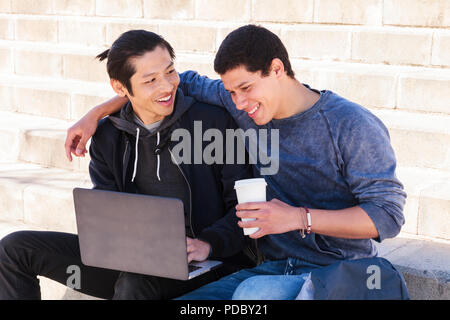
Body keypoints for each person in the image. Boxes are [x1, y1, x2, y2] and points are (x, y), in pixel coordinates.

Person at [64, 25, 408, 300]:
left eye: (245, 88)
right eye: (231, 92)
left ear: (276, 69)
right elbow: (160, 85)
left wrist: (296, 217)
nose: (240, 103)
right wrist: (95, 115)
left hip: (335, 269)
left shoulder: (351, 125)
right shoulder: (239, 103)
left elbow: (387, 216)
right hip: (270, 267)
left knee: (252, 295)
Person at [0, 30, 256, 300]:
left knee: (134, 283)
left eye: (170, 71)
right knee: (14, 249)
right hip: (131, 258)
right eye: (150, 80)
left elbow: (244, 208)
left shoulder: (213, 123)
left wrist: (208, 243)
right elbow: (107, 211)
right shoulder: (106, 137)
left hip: (204, 262)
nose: (167, 86)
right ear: (120, 88)